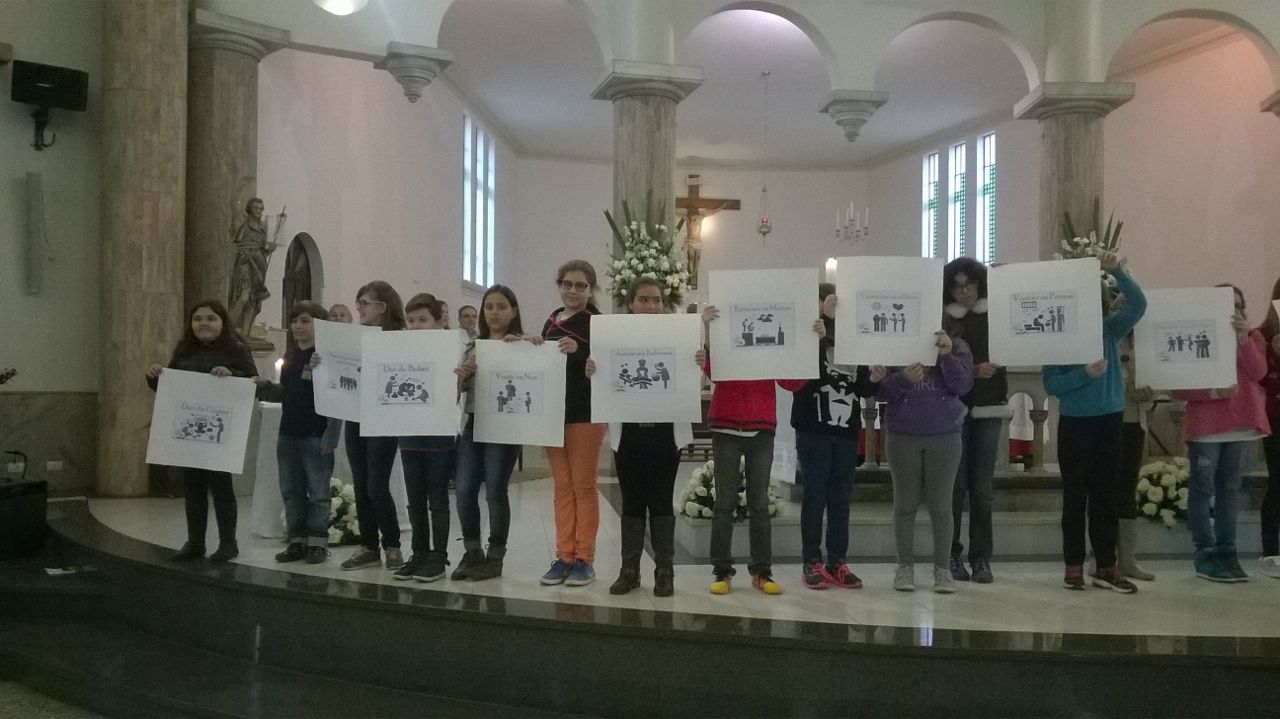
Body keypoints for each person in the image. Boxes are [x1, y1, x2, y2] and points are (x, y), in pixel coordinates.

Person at [699, 306, 823, 596]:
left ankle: (761, 571)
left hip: (761, 426)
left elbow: (793, 382)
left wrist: (812, 343)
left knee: (759, 503)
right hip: (726, 425)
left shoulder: (772, 346)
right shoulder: (729, 337)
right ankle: (722, 569)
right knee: (725, 503)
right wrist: (707, 332)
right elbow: (714, 373)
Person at [1043, 250, 1146, 593]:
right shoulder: (1058, 336)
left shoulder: (1110, 330)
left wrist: (1117, 270)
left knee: (1107, 494)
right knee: (1075, 495)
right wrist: (1084, 374)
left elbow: (1139, 304)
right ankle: (1073, 564)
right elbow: (1052, 385)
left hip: (1110, 419)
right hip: (1076, 422)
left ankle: (1105, 565)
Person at [584, 278, 693, 596]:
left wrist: (695, 363)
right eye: (644, 300)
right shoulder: (614, 336)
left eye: (656, 300)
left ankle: (664, 572)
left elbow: (685, 377)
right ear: (631, 304)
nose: (651, 306)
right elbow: (607, 379)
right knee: (632, 501)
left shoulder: (679, 336)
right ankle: (629, 570)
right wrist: (594, 371)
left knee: (661, 500)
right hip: (629, 433)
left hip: (665, 433)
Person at [145, 300, 258, 563]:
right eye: (197, 319)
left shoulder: (236, 348)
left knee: (221, 488)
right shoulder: (185, 349)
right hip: (190, 430)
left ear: (222, 322)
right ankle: (195, 542)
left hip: (221, 432)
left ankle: (228, 544)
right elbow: (172, 388)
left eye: (210, 318)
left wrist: (232, 374)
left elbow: (253, 382)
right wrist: (155, 376)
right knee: (193, 488)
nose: (204, 323)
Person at [1176, 284, 1269, 582]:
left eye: (1240, 306)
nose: (1236, 311)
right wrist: (1214, 391)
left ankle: (1228, 552)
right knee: (1203, 489)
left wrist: (1243, 340)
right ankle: (1205, 552)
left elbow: (1259, 373)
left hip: (1241, 426)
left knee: (1230, 490)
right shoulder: (1195, 336)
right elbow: (1179, 386)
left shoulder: (1253, 336)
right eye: (1229, 305)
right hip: (1207, 427)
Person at [873, 331, 973, 594]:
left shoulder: (956, 345)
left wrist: (946, 355)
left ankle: (942, 569)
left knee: (941, 505)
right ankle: (904, 566)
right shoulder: (894, 343)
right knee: (905, 503)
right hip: (903, 434)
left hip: (945, 435)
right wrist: (903, 379)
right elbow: (880, 392)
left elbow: (963, 386)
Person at [318, 281, 407, 571]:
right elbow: (338, 367)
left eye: (364, 302)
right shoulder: (354, 337)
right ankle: (368, 546)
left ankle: (392, 544)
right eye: (358, 302)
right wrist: (321, 360)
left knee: (377, 484)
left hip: (383, 419)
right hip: (356, 415)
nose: (359, 308)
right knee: (361, 484)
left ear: (382, 307)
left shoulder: (399, 339)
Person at [792, 283, 875, 590]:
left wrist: (874, 378)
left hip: (845, 429)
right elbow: (799, 373)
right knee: (814, 496)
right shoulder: (807, 333)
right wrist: (818, 333)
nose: (830, 305)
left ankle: (837, 560)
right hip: (813, 427)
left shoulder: (853, 336)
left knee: (841, 498)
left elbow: (862, 386)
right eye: (824, 300)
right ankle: (811, 561)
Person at [451, 286, 530, 581]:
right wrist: (462, 378)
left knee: (495, 491)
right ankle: (472, 552)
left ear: (514, 311)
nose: (494, 313)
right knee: (464, 489)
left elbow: (536, 376)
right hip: (474, 422)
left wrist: (528, 348)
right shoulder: (473, 346)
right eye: (489, 307)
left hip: (505, 426)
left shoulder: (522, 344)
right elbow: (455, 394)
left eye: (501, 307)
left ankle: (495, 557)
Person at [538, 260, 606, 587]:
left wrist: (581, 352)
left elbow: (607, 363)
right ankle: (564, 556)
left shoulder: (597, 323)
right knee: (562, 487)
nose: (573, 290)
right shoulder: (551, 320)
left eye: (581, 285)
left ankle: (584, 559)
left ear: (591, 289)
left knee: (583, 486)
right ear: (559, 285)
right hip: (552, 413)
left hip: (585, 414)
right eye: (567, 284)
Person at [942, 258, 1008, 584]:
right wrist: (972, 370)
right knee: (955, 488)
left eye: (970, 284)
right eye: (958, 286)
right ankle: (951, 555)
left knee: (982, 489)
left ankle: (981, 557)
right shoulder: (943, 320)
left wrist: (1007, 278)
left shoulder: (997, 313)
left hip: (989, 404)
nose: (965, 291)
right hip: (954, 409)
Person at [254, 302, 332, 564]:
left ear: (320, 325)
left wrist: (324, 369)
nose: (298, 326)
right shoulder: (291, 356)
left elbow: (335, 392)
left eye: (305, 321)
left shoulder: (326, 357)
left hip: (316, 433)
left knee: (318, 492)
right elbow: (286, 393)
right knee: (291, 490)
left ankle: (318, 543)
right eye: (295, 321)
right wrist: (265, 386)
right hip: (288, 433)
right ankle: (297, 540)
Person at [393, 293, 456, 582]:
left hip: (438, 437)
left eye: (423, 320)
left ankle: (438, 557)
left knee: (438, 499)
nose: (416, 326)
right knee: (414, 499)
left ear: (438, 322)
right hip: (409, 434)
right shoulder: (401, 351)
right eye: (411, 321)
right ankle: (418, 553)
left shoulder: (450, 349)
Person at [1117, 333, 1156, 581]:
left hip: (1134, 422)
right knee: (1103, 489)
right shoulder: (1103, 336)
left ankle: (1128, 560)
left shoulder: (1144, 340)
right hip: (1106, 421)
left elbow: (1156, 378)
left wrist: (1148, 392)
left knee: (1128, 489)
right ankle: (1100, 557)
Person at [227, 197, 285, 337]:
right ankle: (225, 330)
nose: (259, 211)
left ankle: (245, 334)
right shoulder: (244, 222)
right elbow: (235, 237)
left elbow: (264, 249)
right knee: (243, 296)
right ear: (250, 209)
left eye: (261, 208)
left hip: (259, 264)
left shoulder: (263, 228)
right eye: (256, 208)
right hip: (245, 262)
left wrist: (270, 248)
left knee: (253, 300)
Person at [1259, 277, 1280, 578]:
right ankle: (1271, 551)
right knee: (1277, 482)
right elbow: (1259, 377)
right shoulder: (1263, 335)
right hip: (1275, 418)